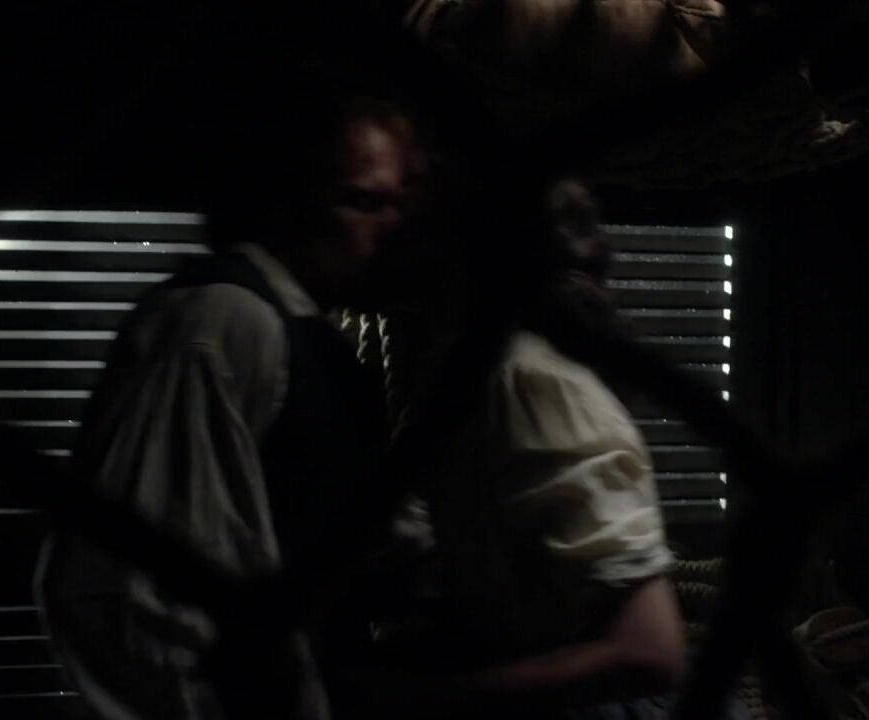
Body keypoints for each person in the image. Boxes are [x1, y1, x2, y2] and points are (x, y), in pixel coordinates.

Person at [34, 87, 429, 720]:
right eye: (363, 202)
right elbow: (129, 592)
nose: (393, 230)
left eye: (401, 205)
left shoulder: (318, 343)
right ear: (288, 203)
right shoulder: (223, 324)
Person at [356, 179, 687, 719]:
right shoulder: (464, 377)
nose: (389, 229)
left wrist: (412, 698)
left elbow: (648, 651)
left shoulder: (525, 378)